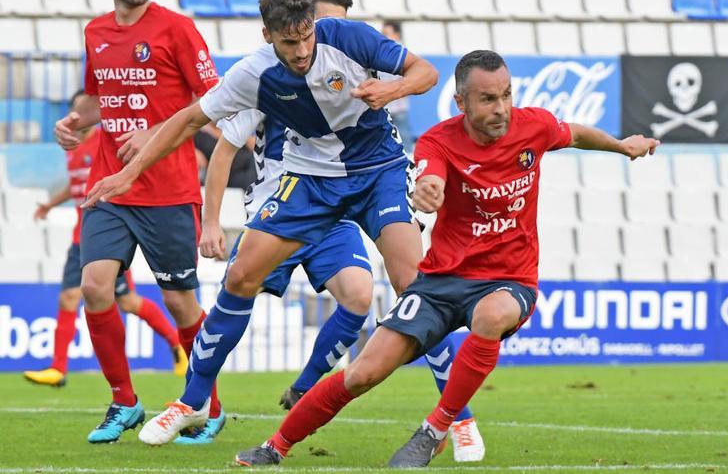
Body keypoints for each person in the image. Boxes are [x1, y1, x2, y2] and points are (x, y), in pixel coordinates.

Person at [230, 50, 660, 467]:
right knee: (362, 373)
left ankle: (434, 431)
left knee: (491, 317)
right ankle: (276, 446)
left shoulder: (535, 127)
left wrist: (622, 146)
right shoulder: (439, 140)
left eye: (507, 95)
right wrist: (428, 190)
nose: (501, 108)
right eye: (488, 99)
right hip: (440, 281)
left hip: (508, 280)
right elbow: (429, 174)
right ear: (461, 102)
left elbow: (576, 133)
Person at [81, 0, 440, 447]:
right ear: (268, 35)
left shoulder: (348, 37)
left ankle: (453, 416)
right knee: (240, 278)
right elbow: (192, 122)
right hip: (307, 187)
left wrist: (393, 87)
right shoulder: (255, 74)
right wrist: (130, 174)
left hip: (375, 175)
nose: (302, 51)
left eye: (307, 36)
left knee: (400, 284)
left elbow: (425, 71)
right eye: (289, 42)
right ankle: (192, 402)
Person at [52, 0, 225, 444]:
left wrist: (155, 132)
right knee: (94, 285)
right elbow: (99, 99)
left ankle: (209, 403)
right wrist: (73, 121)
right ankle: (124, 401)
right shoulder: (95, 32)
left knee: (179, 302)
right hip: (109, 186)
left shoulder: (177, 29)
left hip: (168, 190)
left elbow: (214, 100)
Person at [24, 91, 187, 387]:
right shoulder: (71, 147)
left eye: (83, 109)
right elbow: (78, 185)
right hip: (84, 230)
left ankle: (175, 343)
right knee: (90, 298)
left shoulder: (104, 139)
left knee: (118, 301)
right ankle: (58, 368)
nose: (78, 115)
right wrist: (50, 204)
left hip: (103, 232)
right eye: (74, 109)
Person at [380, 21, 414, 153]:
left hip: (398, 106)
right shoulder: (381, 53)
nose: (383, 36)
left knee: (404, 137)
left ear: (397, 34)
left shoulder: (405, 55)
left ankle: (410, 165)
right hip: (385, 106)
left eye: (386, 33)